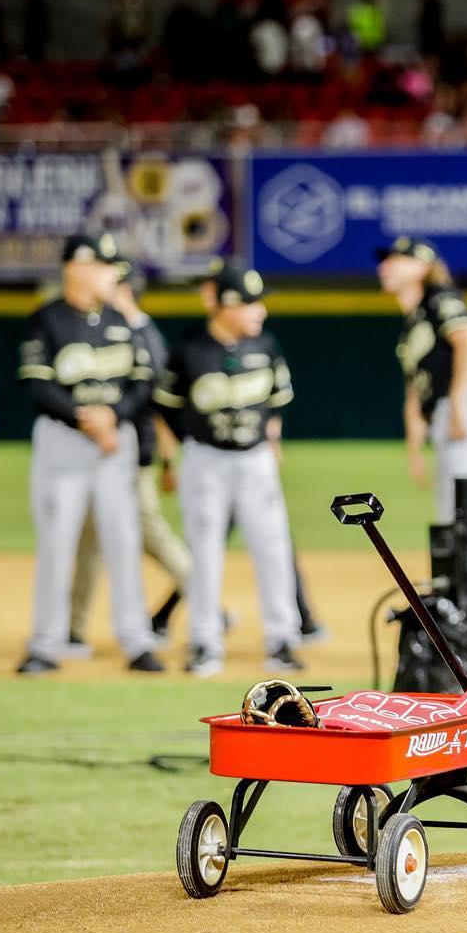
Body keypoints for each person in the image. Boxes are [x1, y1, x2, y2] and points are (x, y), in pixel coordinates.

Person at [16, 233, 163, 675]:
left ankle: (137, 642)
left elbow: (144, 381)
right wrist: (87, 418)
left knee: (124, 543)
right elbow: (37, 386)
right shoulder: (46, 320)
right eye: (105, 267)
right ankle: (44, 644)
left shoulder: (120, 319)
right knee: (57, 544)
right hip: (64, 444)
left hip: (115, 444)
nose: (114, 276)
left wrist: (113, 414)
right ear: (77, 268)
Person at [154, 264, 303, 678]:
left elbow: (275, 403)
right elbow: (165, 408)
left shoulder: (267, 347)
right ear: (227, 304)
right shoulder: (188, 351)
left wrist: (272, 440)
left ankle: (282, 638)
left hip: (255, 460)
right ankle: (204, 641)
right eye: (253, 304)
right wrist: (177, 455)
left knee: (272, 548)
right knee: (204, 553)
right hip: (206, 461)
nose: (261, 313)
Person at [67, 260, 199, 656]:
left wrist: (167, 458)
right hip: (109, 453)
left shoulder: (141, 334)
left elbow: (158, 404)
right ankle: (72, 628)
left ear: (125, 291)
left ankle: (209, 602)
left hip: (133, 455)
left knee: (150, 534)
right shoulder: (118, 329)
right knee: (90, 541)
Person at [380, 236, 467, 523]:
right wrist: (414, 448)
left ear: (421, 266)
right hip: (448, 408)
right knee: (451, 514)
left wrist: (458, 403)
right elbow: (416, 387)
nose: (385, 266)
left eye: (397, 259)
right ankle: (457, 570)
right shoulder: (415, 320)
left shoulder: (441, 297)